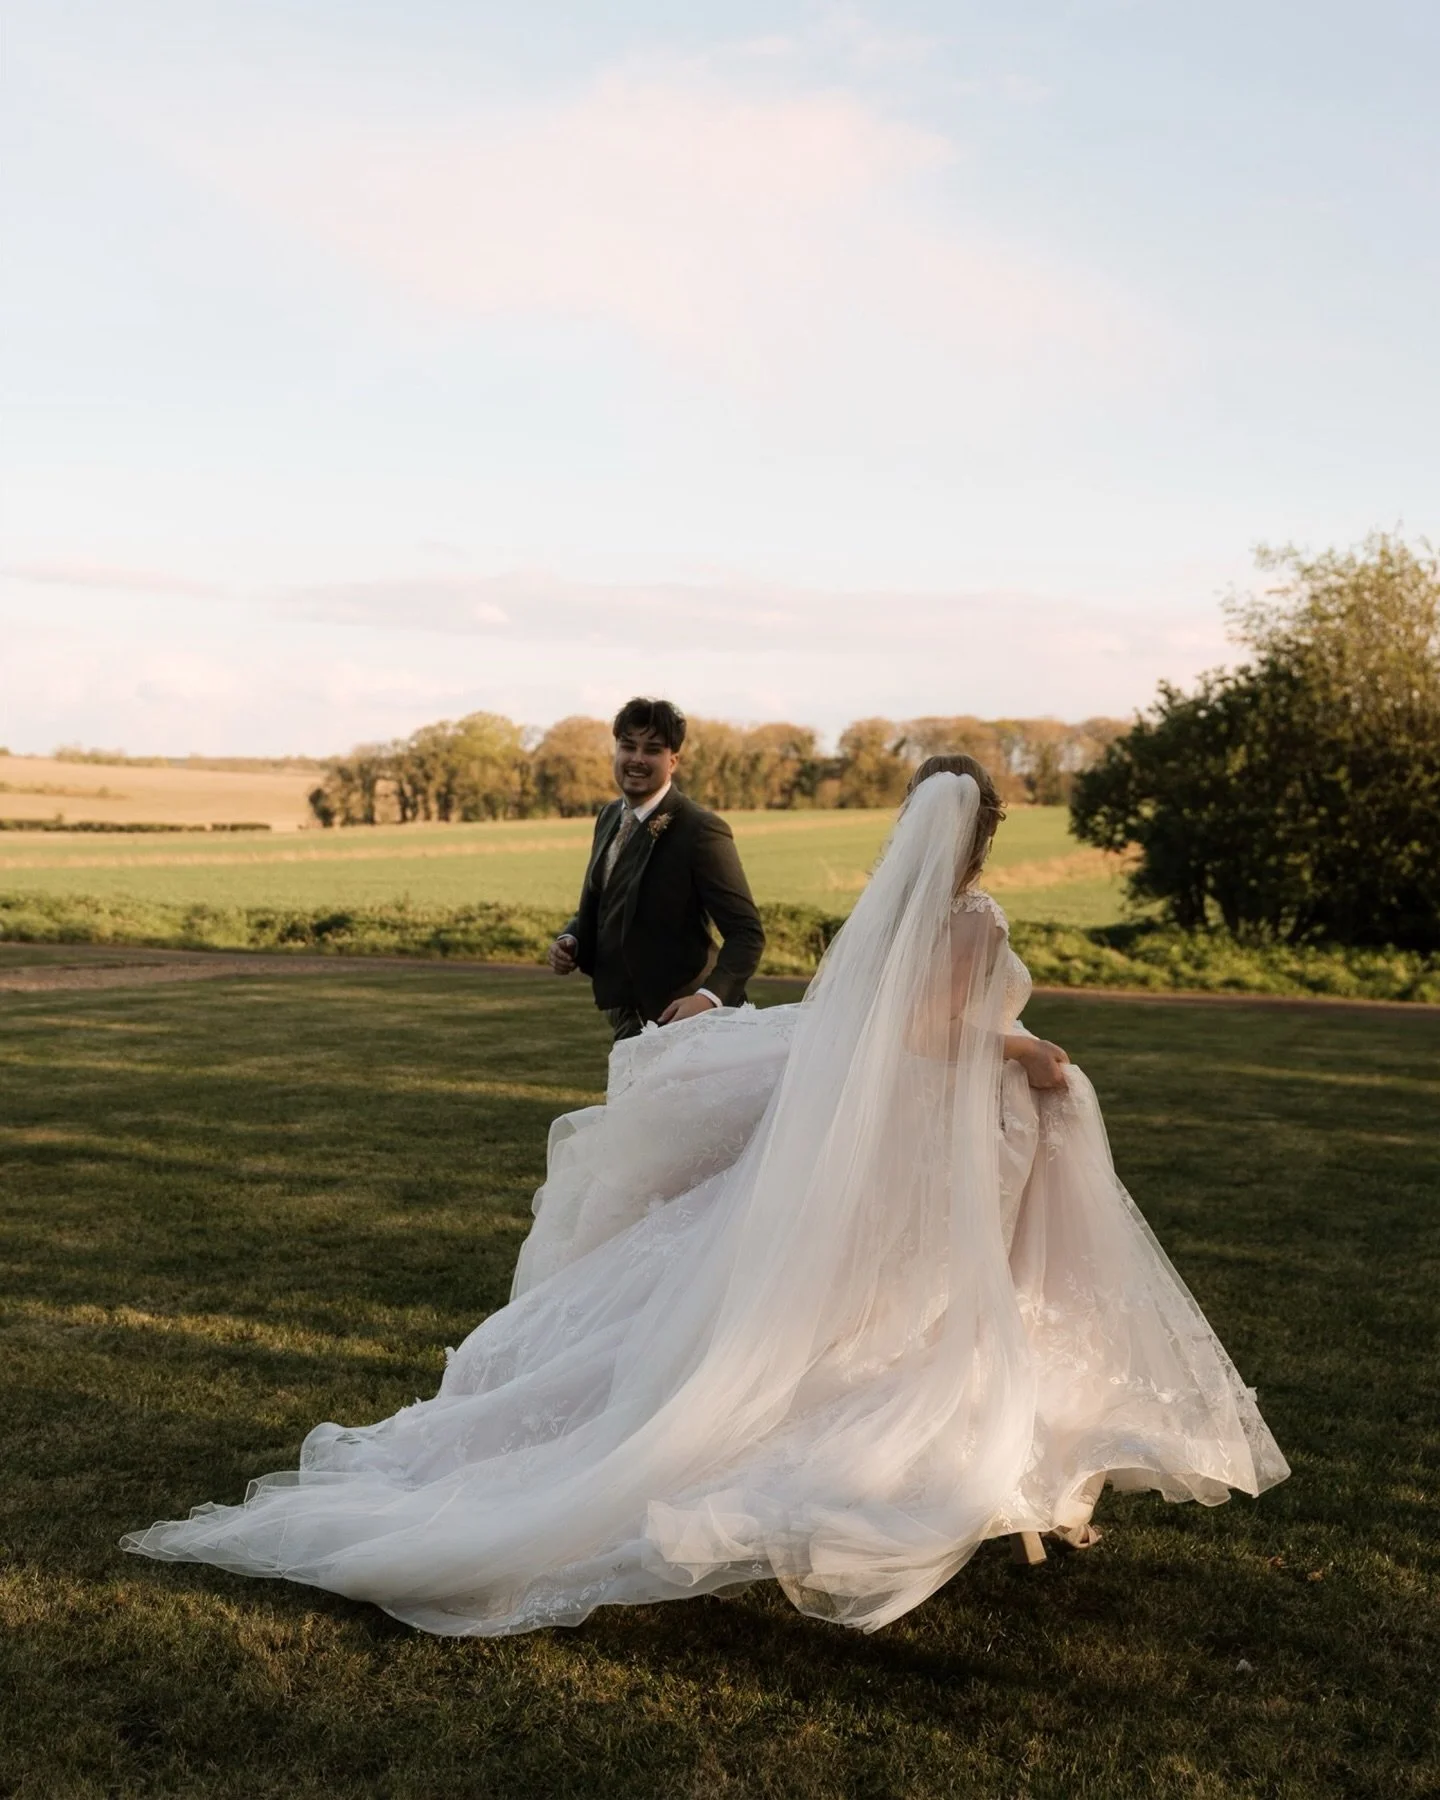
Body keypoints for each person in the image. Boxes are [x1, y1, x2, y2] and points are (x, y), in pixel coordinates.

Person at [123, 758, 1288, 1636]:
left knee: (868, 1296)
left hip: (890, 1141)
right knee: (931, 1301)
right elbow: (942, 1035)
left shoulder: (893, 915)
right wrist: (1030, 1058)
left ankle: (995, 1456)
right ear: (987, 833)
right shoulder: (971, 917)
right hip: (941, 1134)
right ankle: (954, 1455)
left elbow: (880, 1030)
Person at [546, 697, 765, 1042]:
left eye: (652, 749)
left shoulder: (701, 829)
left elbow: (747, 934)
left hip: (692, 1023)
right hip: (628, 1017)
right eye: (628, 746)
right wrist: (571, 938)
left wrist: (707, 1000)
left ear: (672, 760)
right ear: (615, 750)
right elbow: (609, 900)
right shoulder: (608, 817)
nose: (636, 759)